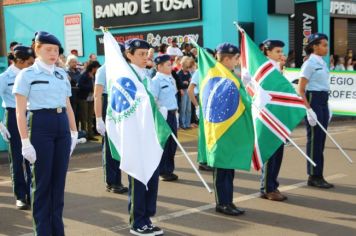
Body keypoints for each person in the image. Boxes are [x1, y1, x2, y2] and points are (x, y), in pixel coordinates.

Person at [13, 31, 78, 235]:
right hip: (40, 125)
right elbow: (20, 111)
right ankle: (42, 231)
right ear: (37, 49)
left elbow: (68, 105)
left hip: (61, 126)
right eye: (48, 49)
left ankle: (57, 231)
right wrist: (25, 141)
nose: (53, 54)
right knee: (42, 184)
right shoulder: (27, 75)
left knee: (58, 184)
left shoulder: (61, 74)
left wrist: (74, 132)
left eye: (56, 50)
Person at [125, 38, 164, 235]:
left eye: (146, 54)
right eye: (140, 54)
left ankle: (147, 217)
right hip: (135, 133)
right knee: (139, 178)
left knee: (152, 176)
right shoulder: (126, 77)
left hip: (151, 132)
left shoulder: (147, 76)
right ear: (129, 55)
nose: (144, 58)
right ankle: (137, 221)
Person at [0, 45, 34, 210]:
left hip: (29, 115)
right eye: (28, 62)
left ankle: (31, 192)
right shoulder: (5, 77)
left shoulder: (29, 74)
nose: (30, 65)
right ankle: (20, 195)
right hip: (13, 116)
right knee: (17, 158)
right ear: (19, 61)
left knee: (31, 156)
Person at [298, 33, 334, 189]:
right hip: (313, 100)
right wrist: (308, 109)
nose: (326, 47)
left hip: (323, 101)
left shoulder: (322, 62)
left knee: (321, 140)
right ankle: (313, 175)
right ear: (314, 46)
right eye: (324, 45)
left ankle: (319, 174)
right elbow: (300, 89)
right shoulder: (309, 64)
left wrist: (327, 105)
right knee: (314, 140)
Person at [213, 43, 245, 216]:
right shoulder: (215, 74)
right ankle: (222, 203)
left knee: (229, 167)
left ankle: (229, 200)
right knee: (222, 167)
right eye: (235, 58)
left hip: (232, 124)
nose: (238, 61)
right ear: (226, 59)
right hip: (220, 127)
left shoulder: (231, 74)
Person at [94, 43, 128, 194]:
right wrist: (98, 118)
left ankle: (118, 179)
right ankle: (111, 181)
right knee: (109, 147)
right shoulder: (103, 70)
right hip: (109, 105)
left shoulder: (124, 69)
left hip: (121, 105)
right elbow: (97, 95)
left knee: (119, 146)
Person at [259, 39, 288, 201]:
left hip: (278, 113)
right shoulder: (266, 68)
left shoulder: (276, 66)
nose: (281, 54)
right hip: (269, 114)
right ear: (267, 51)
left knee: (278, 152)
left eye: (281, 52)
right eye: (277, 51)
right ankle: (267, 188)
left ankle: (272, 185)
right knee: (271, 151)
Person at [151, 54, 179, 182]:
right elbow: (153, 98)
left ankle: (169, 169)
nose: (171, 66)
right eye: (168, 65)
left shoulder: (169, 79)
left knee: (173, 144)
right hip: (164, 115)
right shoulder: (156, 81)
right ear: (160, 66)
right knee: (165, 143)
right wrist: (159, 110)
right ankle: (163, 170)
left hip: (172, 114)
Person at [187, 48, 215, 172]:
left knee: (211, 134)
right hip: (203, 103)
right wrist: (197, 106)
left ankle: (208, 159)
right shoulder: (199, 71)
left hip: (212, 104)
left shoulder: (213, 70)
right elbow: (190, 90)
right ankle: (203, 161)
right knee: (204, 135)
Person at [78, 60, 101, 141]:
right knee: (84, 118)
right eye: (97, 67)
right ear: (93, 68)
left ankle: (90, 134)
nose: (98, 69)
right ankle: (85, 134)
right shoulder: (84, 74)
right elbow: (80, 85)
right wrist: (91, 87)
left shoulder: (95, 75)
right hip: (84, 98)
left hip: (91, 99)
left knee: (90, 117)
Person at [177, 56, 195, 129]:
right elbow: (178, 83)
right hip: (183, 92)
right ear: (183, 65)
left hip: (188, 91)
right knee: (183, 108)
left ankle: (187, 124)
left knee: (189, 109)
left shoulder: (188, 73)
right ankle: (183, 124)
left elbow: (191, 81)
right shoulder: (179, 73)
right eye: (186, 67)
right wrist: (181, 88)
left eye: (188, 67)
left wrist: (190, 81)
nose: (188, 69)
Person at [66, 54, 81, 128]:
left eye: (75, 62)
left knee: (78, 114)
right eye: (73, 62)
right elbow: (73, 81)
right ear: (68, 63)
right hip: (71, 96)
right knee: (72, 113)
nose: (75, 64)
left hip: (78, 95)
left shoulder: (78, 71)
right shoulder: (66, 72)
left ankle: (77, 130)